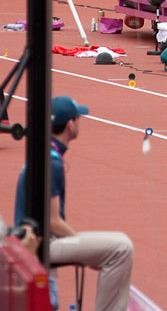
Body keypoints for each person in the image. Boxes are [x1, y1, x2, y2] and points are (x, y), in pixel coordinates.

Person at [14, 96, 134, 311]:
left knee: (116, 244)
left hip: (33, 238)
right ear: (70, 125)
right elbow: (53, 222)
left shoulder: (43, 152)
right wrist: (81, 246)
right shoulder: (51, 161)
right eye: (78, 118)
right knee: (121, 248)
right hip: (41, 243)